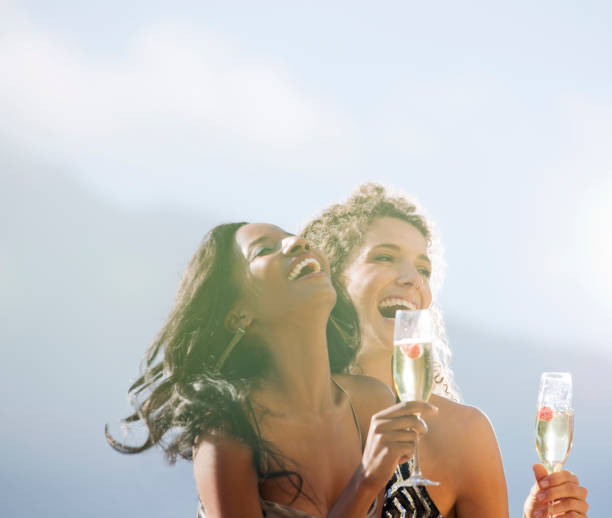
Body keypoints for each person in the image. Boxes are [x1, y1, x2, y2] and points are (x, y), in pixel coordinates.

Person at [106, 221, 437, 518]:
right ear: (240, 313)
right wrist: (365, 479)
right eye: (264, 249)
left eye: (291, 236)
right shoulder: (226, 433)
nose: (296, 243)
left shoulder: (370, 403)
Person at [302, 183, 589, 518]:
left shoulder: (464, 435)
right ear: (332, 276)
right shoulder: (274, 415)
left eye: (424, 269)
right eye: (384, 257)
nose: (413, 279)